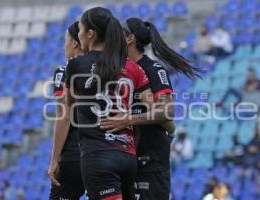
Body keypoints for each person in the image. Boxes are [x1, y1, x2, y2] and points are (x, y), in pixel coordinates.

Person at [100, 17, 201, 200]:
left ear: (130, 39)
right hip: (124, 162)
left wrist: (129, 119)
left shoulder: (154, 69)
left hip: (150, 162)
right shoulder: (117, 71)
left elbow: (168, 111)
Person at [65, 7, 154, 200]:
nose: (78, 35)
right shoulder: (133, 67)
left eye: (80, 30)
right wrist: (130, 119)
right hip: (128, 158)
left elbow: (66, 112)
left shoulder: (76, 66)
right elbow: (161, 111)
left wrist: (56, 160)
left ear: (90, 34)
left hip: (97, 157)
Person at [48, 21, 85, 199]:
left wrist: (54, 160)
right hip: (106, 153)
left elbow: (64, 116)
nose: (64, 46)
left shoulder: (65, 71)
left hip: (74, 154)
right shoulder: (108, 69)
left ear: (75, 43)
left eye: (66, 41)